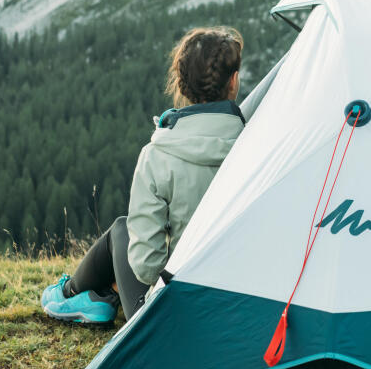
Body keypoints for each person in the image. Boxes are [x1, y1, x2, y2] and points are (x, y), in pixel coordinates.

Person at [41, 26, 246, 324]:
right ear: (234, 81)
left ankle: (71, 295)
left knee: (122, 230)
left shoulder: (158, 155)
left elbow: (146, 266)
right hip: (241, 303)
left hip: (171, 319)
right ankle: (98, 298)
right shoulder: (256, 146)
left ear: (181, 85)